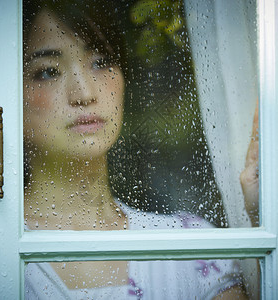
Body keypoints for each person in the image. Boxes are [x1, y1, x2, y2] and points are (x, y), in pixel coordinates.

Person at [23, 1, 257, 299]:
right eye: (48, 72)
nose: (84, 93)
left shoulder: (190, 248)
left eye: (100, 61)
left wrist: (258, 216)